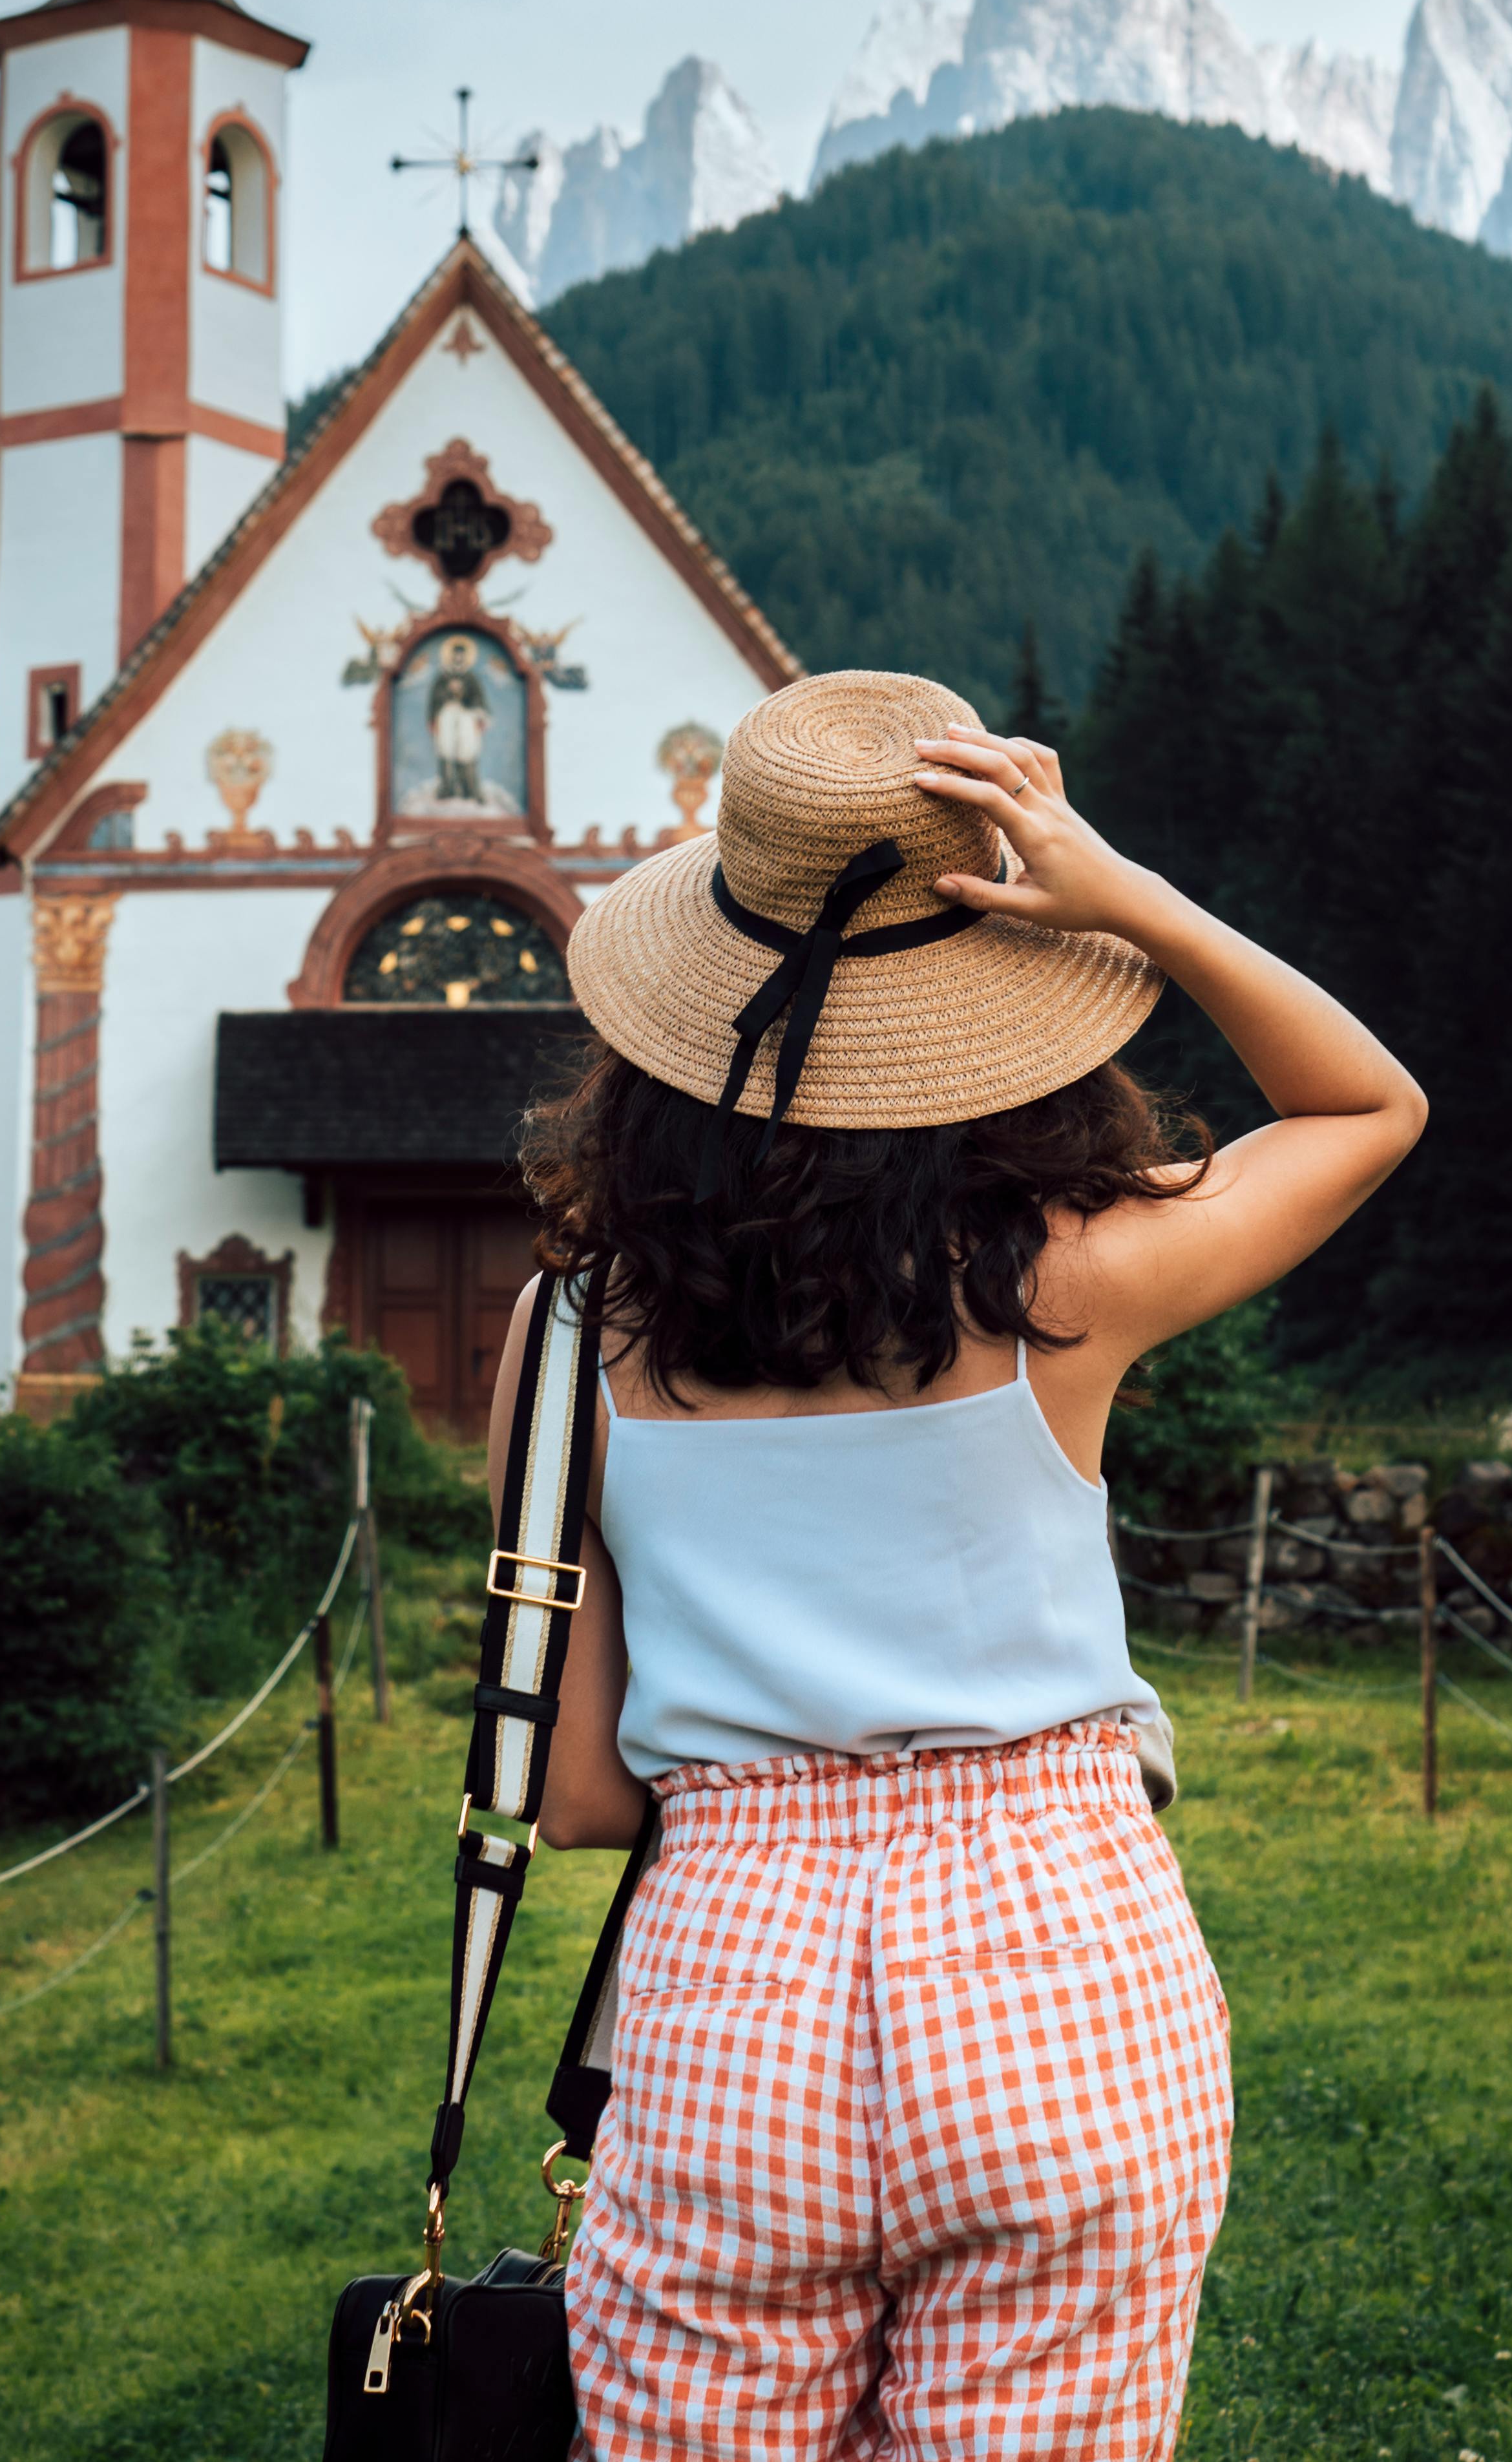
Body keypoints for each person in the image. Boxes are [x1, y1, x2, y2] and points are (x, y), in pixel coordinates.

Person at [490, 666, 1425, 2462]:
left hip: (728, 2016)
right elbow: (1365, 1107)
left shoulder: (574, 1338)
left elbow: (588, 1796)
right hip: (1065, 1977)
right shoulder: (1069, 1283)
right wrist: (1120, 889)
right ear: (1002, 1003)